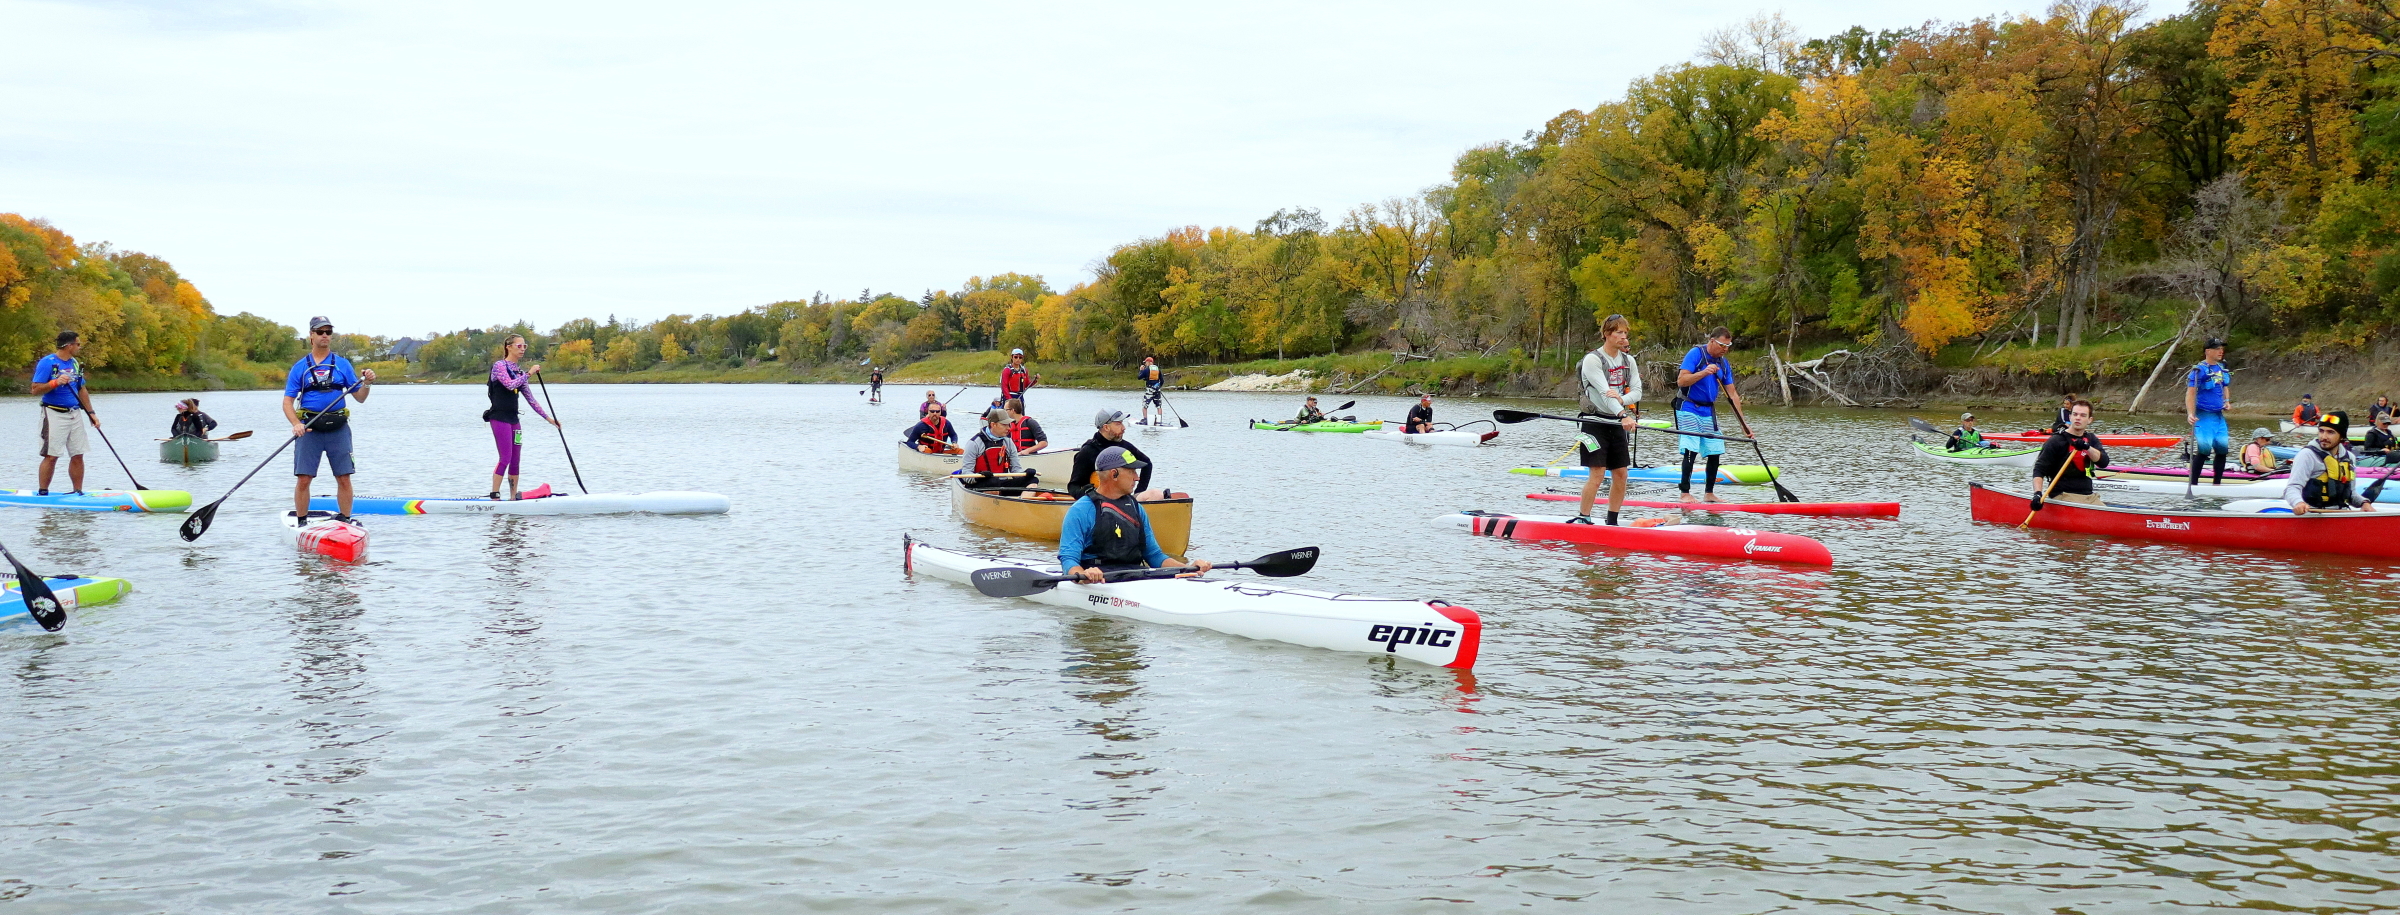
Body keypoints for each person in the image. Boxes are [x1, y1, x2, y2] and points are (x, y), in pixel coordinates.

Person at [1057, 446, 1211, 583]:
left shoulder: (1136, 508)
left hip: (1135, 576)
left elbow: (1155, 556)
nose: (1137, 477)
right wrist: (1084, 575)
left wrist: (1188, 568)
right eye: (1131, 471)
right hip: (1099, 580)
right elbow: (1069, 560)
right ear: (1114, 474)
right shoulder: (1081, 510)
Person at [285, 316, 376, 523]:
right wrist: (296, 424)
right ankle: (301, 522)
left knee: (344, 477)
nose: (325, 335)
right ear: (311, 336)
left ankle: (345, 519)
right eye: (320, 331)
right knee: (304, 479)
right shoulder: (299, 368)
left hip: (338, 428)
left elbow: (360, 398)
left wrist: (368, 383)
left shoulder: (342, 365)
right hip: (309, 429)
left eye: (328, 332)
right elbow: (287, 402)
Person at [1569, 314, 1641, 525]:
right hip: (1594, 423)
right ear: (1607, 334)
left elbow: (1637, 392)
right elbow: (1603, 393)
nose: (1623, 337)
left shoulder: (1629, 361)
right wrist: (1623, 414)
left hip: (1618, 422)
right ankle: (1584, 517)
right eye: (1619, 332)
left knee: (1621, 474)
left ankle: (1612, 521)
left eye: (1625, 333)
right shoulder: (1593, 360)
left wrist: (1622, 400)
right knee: (1598, 473)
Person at [1673, 326, 1748, 504]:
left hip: (1708, 410)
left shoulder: (1723, 363)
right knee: (1691, 449)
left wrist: (1744, 425)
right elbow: (1681, 380)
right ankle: (1685, 493)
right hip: (1688, 406)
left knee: (1715, 450)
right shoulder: (1696, 354)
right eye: (1723, 345)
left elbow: (1733, 395)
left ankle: (1709, 493)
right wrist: (1704, 372)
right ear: (1712, 341)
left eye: (1728, 346)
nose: (1725, 349)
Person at [485, 334, 557, 500]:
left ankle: (512, 497)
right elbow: (510, 385)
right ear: (508, 347)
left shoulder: (518, 372)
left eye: (525, 346)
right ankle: (495, 495)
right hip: (499, 418)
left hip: (513, 420)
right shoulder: (499, 366)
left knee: (516, 459)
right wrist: (529, 374)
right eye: (519, 346)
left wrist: (550, 420)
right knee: (506, 457)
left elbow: (531, 399)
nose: (522, 349)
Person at [30, 330, 97, 495]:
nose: (79, 347)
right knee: (51, 455)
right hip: (54, 413)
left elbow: (81, 389)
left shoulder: (74, 363)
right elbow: (35, 389)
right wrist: (55, 382)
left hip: (74, 413)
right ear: (69, 346)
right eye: (78, 344)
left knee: (78, 454)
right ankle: (43, 492)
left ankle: (77, 492)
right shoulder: (47, 362)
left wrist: (91, 413)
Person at [1069, 409, 1179, 501]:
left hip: (1125, 500)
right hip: (1099, 503)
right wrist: (1089, 496)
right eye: (1118, 424)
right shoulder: (1088, 452)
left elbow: (1147, 464)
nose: (1124, 428)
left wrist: (1139, 491)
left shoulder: (1124, 447)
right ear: (1106, 427)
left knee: (1156, 495)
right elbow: (1073, 487)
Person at [2286, 412, 2377, 515]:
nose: (2324, 437)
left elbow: (2351, 493)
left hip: (2340, 515)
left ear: (2341, 436)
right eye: (2321, 431)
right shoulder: (2307, 455)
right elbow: (2292, 488)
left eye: (2330, 432)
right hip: (2313, 516)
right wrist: (2298, 503)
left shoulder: (2349, 457)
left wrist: (2364, 503)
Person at [2030, 399, 2109, 507]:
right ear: (2070, 417)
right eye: (2075, 414)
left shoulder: (2091, 439)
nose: (2078, 418)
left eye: (2082, 415)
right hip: (2063, 495)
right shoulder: (2056, 441)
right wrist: (2037, 494)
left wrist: (2087, 448)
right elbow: (2039, 470)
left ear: (2089, 420)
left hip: (2089, 496)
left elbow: (2103, 462)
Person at [2185, 337, 2234, 487]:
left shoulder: (2221, 368)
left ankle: (2217, 485)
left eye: (2222, 348)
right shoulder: (2199, 370)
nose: (2221, 351)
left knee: (2222, 450)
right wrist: (2190, 413)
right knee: (2204, 451)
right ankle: (2193, 485)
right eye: (2217, 349)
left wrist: (2226, 401)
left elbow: (2225, 386)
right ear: (2208, 351)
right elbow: (2190, 393)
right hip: (2203, 415)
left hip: (2219, 416)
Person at [964, 408, 1022, 476]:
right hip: (981, 482)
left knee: (1033, 480)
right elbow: (966, 473)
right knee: (992, 481)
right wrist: (978, 477)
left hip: (1001, 483)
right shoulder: (974, 443)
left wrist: (1025, 475)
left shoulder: (1008, 442)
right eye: (1004, 424)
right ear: (993, 425)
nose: (1008, 428)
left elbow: (1016, 469)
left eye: (1008, 424)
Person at [1136, 356, 1165, 424]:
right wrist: (1158, 387)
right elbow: (1162, 381)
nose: (1145, 364)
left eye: (1146, 362)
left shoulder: (1146, 370)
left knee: (1145, 405)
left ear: (1149, 362)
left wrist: (1141, 370)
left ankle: (1145, 420)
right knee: (1158, 406)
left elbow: (1139, 377)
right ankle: (1159, 420)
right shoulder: (1158, 369)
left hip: (1149, 390)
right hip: (1157, 390)